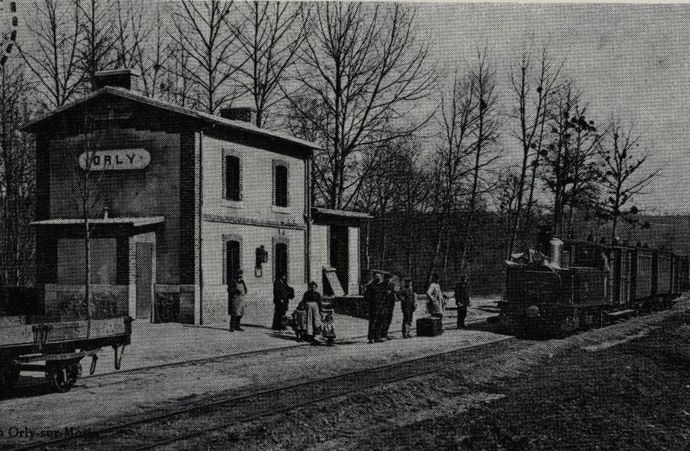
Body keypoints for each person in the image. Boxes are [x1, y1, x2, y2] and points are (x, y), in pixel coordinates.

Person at [380, 273, 397, 340]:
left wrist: (394, 296)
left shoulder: (392, 285)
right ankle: (382, 334)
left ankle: (386, 333)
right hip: (384, 304)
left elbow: (394, 293)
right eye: (387, 278)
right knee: (383, 319)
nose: (389, 280)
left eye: (390, 278)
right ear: (385, 278)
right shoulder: (381, 285)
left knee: (389, 319)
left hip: (390, 304)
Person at [364, 272, 379, 343]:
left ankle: (377, 337)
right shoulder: (370, 286)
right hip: (373, 307)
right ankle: (371, 338)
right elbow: (366, 297)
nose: (378, 278)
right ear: (373, 277)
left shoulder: (380, 286)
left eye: (379, 277)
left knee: (379, 322)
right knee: (372, 323)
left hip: (380, 307)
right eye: (377, 277)